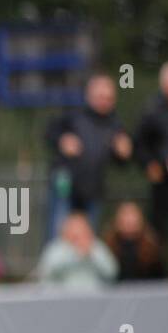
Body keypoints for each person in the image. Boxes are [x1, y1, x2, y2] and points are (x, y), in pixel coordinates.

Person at [43, 74, 132, 245]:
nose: (104, 101)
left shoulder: (114, 124)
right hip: (66, 184)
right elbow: (48, 133)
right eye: (100, 96)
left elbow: (121, 161)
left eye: (108, 98)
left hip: (93, 189)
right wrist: (62, 140)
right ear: (89, 95)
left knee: (88, 239)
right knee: (58, 233)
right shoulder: (73, 114)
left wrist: (124, 152)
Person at [134, 61, 168, 249]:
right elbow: (140, 143)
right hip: (163, 183)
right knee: (159, 231)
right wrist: (150, 164)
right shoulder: (152, 111)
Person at [34, 211, 118, 290]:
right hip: (61, 299)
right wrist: (75, 255)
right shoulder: (56, 247)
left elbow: (111, 272)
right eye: (74, 227)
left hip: (93, 298)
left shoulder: (97, 246)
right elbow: (47, 272)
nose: (77, 231)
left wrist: (91, 254)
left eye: (81, 227)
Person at [102, 201, 168, 281]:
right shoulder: (106, 248)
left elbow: (162, 278)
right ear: (117, 220)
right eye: (125, 215)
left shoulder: (152, 248)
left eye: (132, 215)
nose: (129, 220)